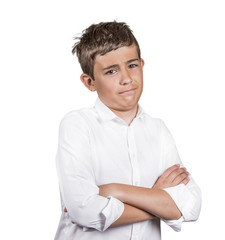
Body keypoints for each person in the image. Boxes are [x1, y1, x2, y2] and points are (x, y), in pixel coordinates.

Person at [54, 21, 201, 240]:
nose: (126, 79)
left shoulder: (158, 130)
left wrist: (115, 190)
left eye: (132, 65)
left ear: (142, 64)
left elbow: (191, 205)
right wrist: (159, 200)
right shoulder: (78, 125)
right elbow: (84, 211)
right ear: (89, 82)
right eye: (111, 71)